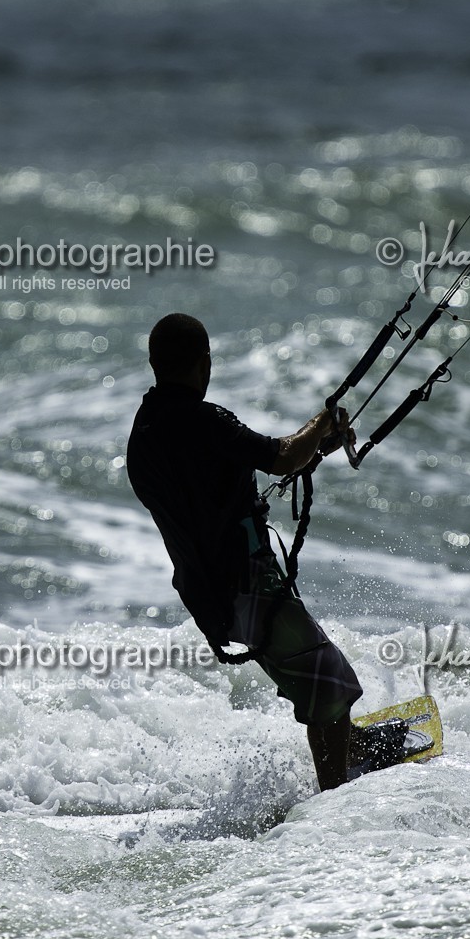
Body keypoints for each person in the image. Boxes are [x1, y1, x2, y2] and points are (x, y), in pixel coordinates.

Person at [126, 311, 363, 790]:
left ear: (155, 364)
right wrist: (323, 422)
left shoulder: (144, 434)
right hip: (247, 587)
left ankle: (346, 747)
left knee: (312, 679)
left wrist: (315, 447)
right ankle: (339, 799)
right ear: (204, 363)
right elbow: (280, 456)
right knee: (329, 680)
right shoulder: (203, 421)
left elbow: (212, 486)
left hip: (209, 596)